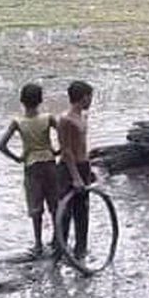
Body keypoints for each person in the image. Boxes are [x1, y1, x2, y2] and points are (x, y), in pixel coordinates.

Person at [0, 83, 59, 256]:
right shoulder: (48, 118)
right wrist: (57, 151)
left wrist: (17, 158)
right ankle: (57, 239)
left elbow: (1, 145)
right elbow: (64, 134)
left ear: (22, 101)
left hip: (31, 166)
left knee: (35, 206)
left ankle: (38, 243)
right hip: (49, 162)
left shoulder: (18, 122)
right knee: (54, 204)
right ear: (40, 100)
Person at [57, 81, 94, 261]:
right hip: (69, 168)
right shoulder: (65, 120)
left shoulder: (83, 117)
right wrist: (76, 177)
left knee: (83, 211)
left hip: (83, 165)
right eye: (90, 97)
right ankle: (60, 249)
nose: (91, 101)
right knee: (66, 212)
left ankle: (81, 249)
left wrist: (89, 169)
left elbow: (83, 146)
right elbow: (66, 150)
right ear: (84, 97)